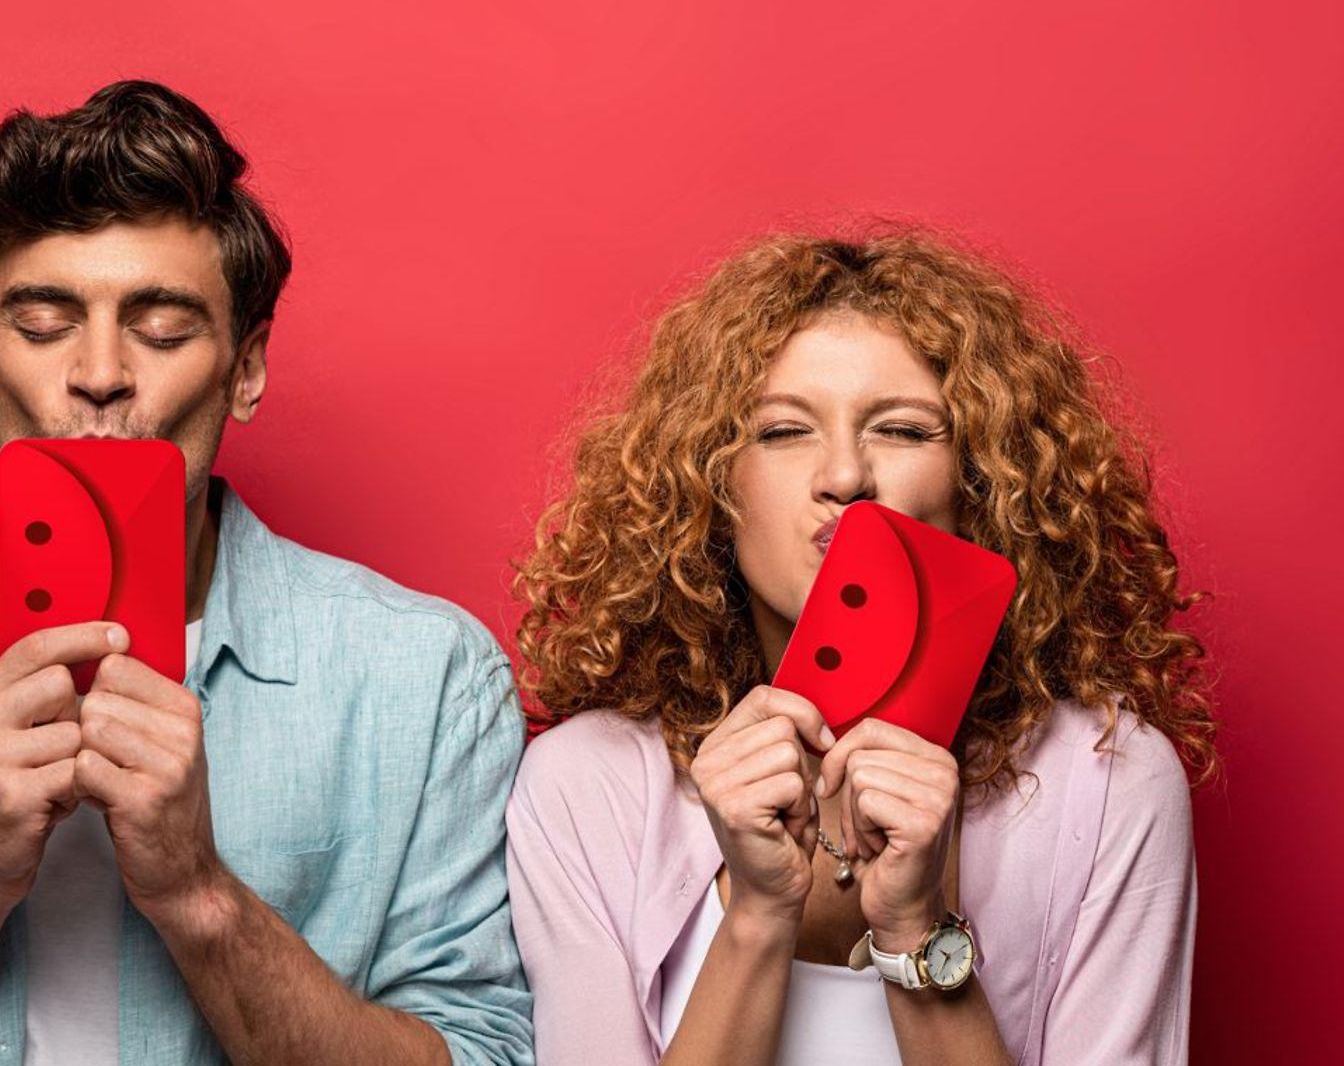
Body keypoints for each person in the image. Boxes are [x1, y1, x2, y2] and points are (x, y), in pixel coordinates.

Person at [0, 80, 532, 1066]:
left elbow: (486, 1052)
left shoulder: (427, 678)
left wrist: (199, 896)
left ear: (245, 370)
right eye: (41, 325)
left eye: (162, 327)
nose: (103, 372)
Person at [505, 227, 1215, 1064]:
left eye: (906, 431)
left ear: (981, 476)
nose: (844, 474)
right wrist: (760, 915)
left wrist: (916, 930)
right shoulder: (588, 787)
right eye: (781, 432)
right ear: (707, 484)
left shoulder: (1108, 782)